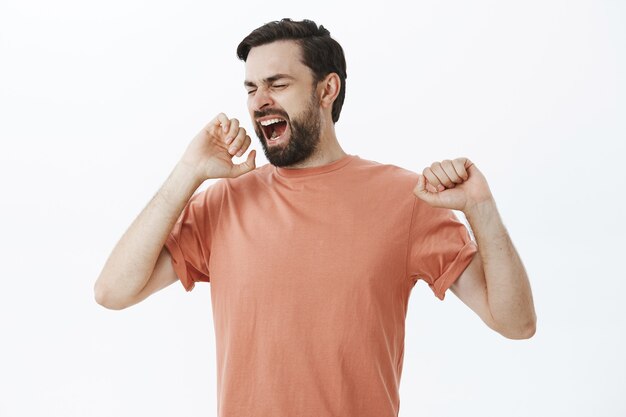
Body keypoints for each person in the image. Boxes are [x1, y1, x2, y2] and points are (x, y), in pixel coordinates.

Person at [94, 18, 536, 417]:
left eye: (277, 84)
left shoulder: (408, 199)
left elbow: (516, 323)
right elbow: (112, 291)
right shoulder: (225, 201)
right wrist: (187, 173)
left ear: (327, 90)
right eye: (250, 88)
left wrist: (481, 210)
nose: (259, 102)